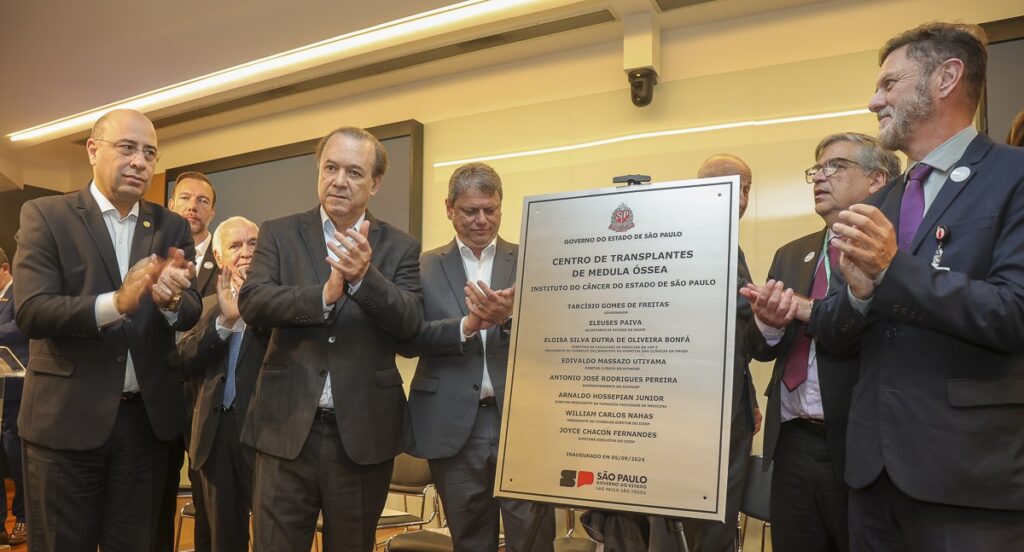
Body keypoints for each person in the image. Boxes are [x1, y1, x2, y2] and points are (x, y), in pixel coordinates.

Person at [804, 22, 1024, 549]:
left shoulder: (1014, 177)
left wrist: (892, 269)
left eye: (889, 83)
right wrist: (857, 295)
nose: (874, 100)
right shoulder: (876, 205)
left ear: (946, 78)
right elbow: (835, 334)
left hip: (968, 478)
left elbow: (1014, 313)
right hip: (871, 477)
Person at [13, 108, 202, 551]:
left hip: (144, 427)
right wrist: (115, 303)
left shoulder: (170, 224)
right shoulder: (46, 215)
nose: (140, 161)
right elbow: (33, 310)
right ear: (93, 151)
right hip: (65, 423)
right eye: (128, 147)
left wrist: (173, 301)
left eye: (150, 152)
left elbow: (190, 309)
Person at [238, 126, 422, 552]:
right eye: (331, 168)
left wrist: (364, 277)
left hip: (362, 434)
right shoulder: (279, 233)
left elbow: (411, 321)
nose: (339, 180)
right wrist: (321, 296)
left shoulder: (399, 247)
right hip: (284, 430)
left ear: (375, 184)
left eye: (354, 173)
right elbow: (254, 301)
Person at [742, 133, 899, 551]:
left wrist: (805, 308)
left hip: (861, 443)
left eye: (836, 167)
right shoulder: (792, 253)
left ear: (877, 180)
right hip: (792, 441)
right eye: (816, 169)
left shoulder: (899, 254)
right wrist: (770, 323)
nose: (820, 178)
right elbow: (760, 349)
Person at [401, 162, 555, 552]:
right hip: (453, 425)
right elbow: (408, 338)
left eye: (491, 209)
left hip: (522, 422)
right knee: (469, 540)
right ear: (449, 208)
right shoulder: (420, 267)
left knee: (533, 539)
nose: (482, 220)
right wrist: (467, 326)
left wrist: (511, 318)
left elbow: (558, 336)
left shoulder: (533, 261)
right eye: (471, 210)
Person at [650, 154, 761, 552]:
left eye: (748, 189)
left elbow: (736, 335)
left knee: (719, 518)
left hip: (729, 403)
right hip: (691, 407)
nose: (743, 199)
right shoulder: (680, 239)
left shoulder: (731, 243)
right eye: (735, 187)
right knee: (693, 522)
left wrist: (747, 399)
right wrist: (769, 305)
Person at [178, 216, 264, 552]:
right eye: (235, 245)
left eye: (253, 243)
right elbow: (183, 360)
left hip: (267, 436)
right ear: (218, 254)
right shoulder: (207, 306)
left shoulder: (281, 304)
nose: (246, 252)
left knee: (275, 536)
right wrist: (225, 322)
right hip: (216, 436)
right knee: (221, 539)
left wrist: (255, 306)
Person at [161, 170, 220, 552]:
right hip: (159, 395)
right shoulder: (152, 257)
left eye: (202, 200)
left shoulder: (233, 256)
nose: (192, 207)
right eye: (184, 198)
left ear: (213, 212)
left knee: (209, 508)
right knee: (154, 499)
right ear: (171, 204)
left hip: (210, 398)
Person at [0, 247, 27, 545]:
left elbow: (19, 327)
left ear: (5, 268)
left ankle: (23, 517)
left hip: (18, 391)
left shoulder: (20, 292)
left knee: (16, 457)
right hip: (0, 394)